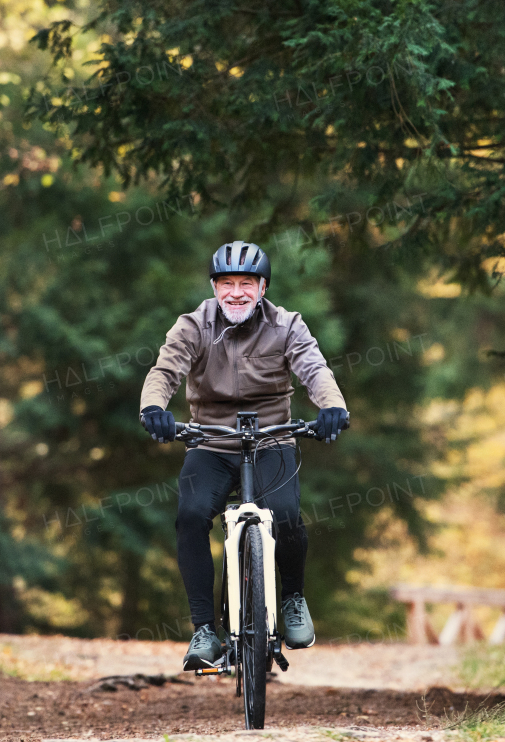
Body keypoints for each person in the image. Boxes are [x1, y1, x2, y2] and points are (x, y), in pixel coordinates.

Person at [139, 240, 349, 671]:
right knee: (192, 516)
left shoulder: (286, 324)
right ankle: (204, 630)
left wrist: (332, 406)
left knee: (286, 514)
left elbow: (313, 367)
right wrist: (154, 407)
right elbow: (166, 369)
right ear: (215, 287)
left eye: (246, 283)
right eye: (227, 283)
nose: (236, 292)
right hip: (210, 441)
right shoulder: (193, 324)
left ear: (262, 287)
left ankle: (292, 599)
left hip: (272, 437)